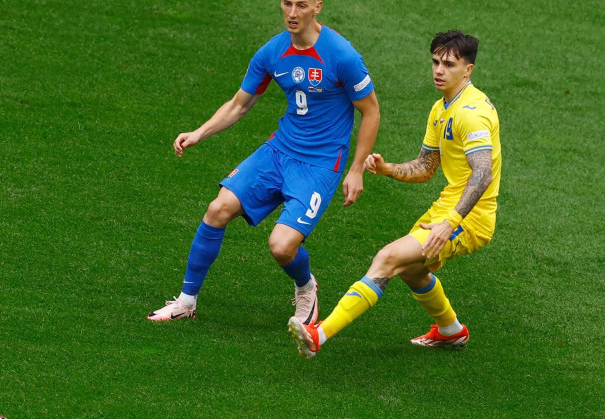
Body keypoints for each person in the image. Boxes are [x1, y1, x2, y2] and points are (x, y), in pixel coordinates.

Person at [148, 0, 380, 322]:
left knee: (282, 247)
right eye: (287, 3)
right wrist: (199, 132)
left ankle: (306, 287)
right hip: (279, 150)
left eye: (301, 5)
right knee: (217, 209)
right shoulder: (272, 52)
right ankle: (186, 303)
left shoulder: (342, 55)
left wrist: (356, 170)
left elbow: (371, 111)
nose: (292, 13)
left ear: (317, 6)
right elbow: (239, 104)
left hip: (320, 164)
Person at [288, 29, 501, 357]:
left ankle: (319, 335)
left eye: (449, 64)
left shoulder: (471, 113)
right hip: (446, 209)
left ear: (467, 70)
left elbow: (483, 174)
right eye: (435, 62)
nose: (439, 70)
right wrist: (387, 168)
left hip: (469, 218)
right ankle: (451, 331)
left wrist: (450, 223)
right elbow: (426, 167)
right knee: (413, 269)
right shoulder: (441, 108)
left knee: (388, 258)